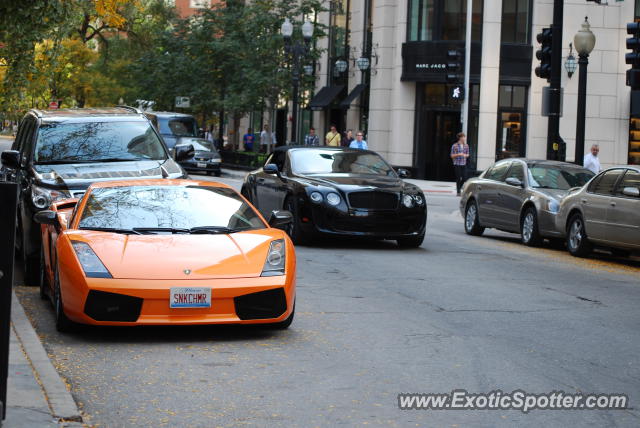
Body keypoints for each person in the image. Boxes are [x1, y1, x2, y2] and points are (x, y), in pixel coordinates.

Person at [450, 132, 469, 196]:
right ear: (460, 138)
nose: (464, 138)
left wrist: (465, 155)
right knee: (458, 178)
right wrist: (458, 154)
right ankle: (458, 191)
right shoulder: (454, 146)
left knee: (464, 178)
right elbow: (452, 156)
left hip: (463, 163)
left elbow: (467, 154)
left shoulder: (466, 146)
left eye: (464, 137)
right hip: (457, 164)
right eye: (463, 137)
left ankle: (459, 188)